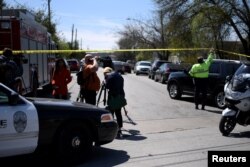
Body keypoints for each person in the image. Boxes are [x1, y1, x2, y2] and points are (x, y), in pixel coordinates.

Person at [103, 67, 126, 138]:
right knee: (118, 113)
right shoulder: (120, 76)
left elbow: (107, 87)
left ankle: (111, 129)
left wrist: (105, 82)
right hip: (120, 96)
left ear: (106, 73)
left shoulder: (109, 77)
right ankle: (119, 129)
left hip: (113, 97)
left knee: (111, 113)